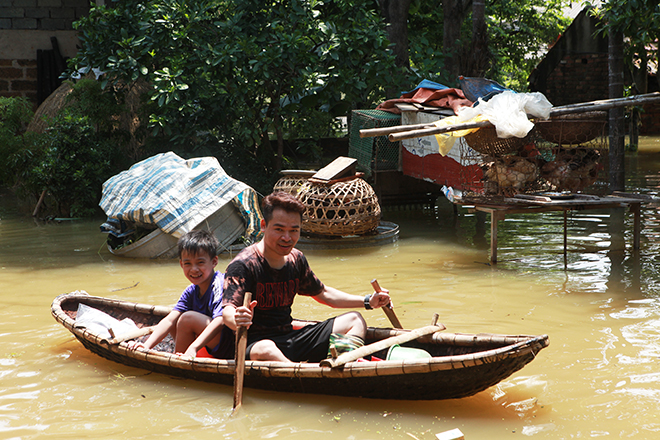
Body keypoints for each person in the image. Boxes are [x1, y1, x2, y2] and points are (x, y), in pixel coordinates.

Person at [221, 191, 392, 363]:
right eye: (279, 229)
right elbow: (228, 310)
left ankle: (342, 366)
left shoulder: (296, 259)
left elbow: (324, 294)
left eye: (294, 230)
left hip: (290, 338)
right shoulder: (243, 265)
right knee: (266, 348)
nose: (287, 238)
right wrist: (238, 319)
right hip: (255, 344)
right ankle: (301, 378)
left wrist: (369, 301)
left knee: (354, 319)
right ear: (264, 225)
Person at [128, 230, 232, 358]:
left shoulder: (219, 284)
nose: (194, 269)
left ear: (214, 262)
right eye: (188, 263)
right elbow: (169, 320)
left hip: (227, 347)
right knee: (175, 318)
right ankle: (181, 354)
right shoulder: (191, 291)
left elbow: (221, 320)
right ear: (181, 264)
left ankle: (180, 360)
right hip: (209, 344)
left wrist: (193, 347)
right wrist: (146, 346)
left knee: (187, 319)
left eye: (200, 262)